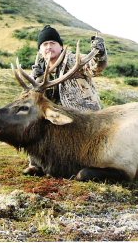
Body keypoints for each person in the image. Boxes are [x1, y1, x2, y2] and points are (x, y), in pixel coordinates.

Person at [23, 25, 108, 176]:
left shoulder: (74, 60)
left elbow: (96, 68)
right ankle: (36, 164)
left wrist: (100, 54)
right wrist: (37, 80)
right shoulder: (38, 69)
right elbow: (30, 98)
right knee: (33, 123)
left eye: (52, 43)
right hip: (53, 115)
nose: (49, 47)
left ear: (60, 46)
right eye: (45, 44)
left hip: (81, 114)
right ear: (40, 50)